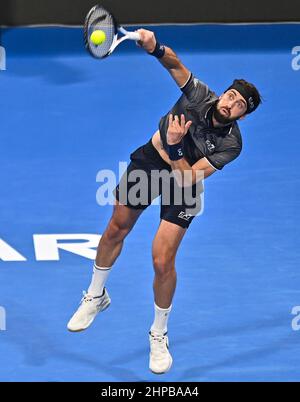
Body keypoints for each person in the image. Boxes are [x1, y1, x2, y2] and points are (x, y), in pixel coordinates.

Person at [67, 29, 262, 374]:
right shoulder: (200, 95)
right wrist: (154, 46)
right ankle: (96, 296)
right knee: (116, 228)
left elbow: (187, 178)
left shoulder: (232, 145)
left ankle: (158, 332)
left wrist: (173, 145)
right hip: (151, 163)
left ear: (242, 116)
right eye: (231, 95)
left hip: (182, 180)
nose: (230, 103)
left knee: (162, 261)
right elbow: (175, 65)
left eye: (238, 105)